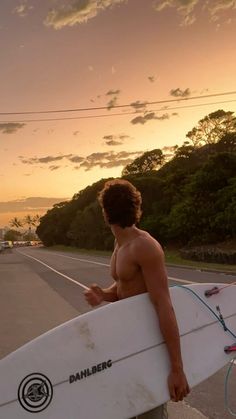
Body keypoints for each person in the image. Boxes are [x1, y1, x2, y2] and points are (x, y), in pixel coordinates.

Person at [84, 179, 190, 419]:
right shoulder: (120, 244)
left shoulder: (144, 246)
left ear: (105, 212)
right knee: (125, 408)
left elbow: (164, 305)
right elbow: (124, 287)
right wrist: (103, 294)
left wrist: (177, 369)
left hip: (149, 344)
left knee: (149, 412)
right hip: (126, 342)